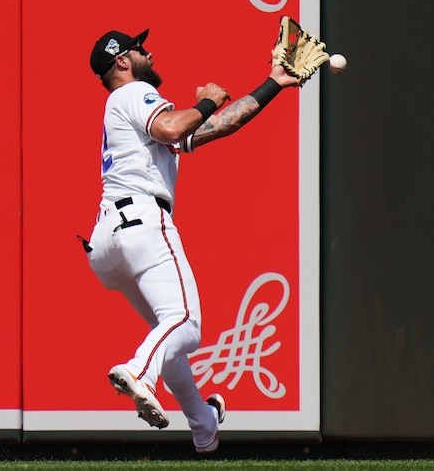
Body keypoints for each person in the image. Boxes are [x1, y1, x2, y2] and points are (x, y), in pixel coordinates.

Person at [84, 27, 300, 454]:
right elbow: (170, 128)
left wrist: (274, 82)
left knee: (168, 336)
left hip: (108, 238)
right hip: (143, 220)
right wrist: (207, 101)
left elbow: (217, 127)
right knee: (185, 322)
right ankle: (139, 372)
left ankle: (203, 424)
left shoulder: (126, 110)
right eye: (139, 49)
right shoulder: (134, 93)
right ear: (122, 61)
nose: (149, 53)